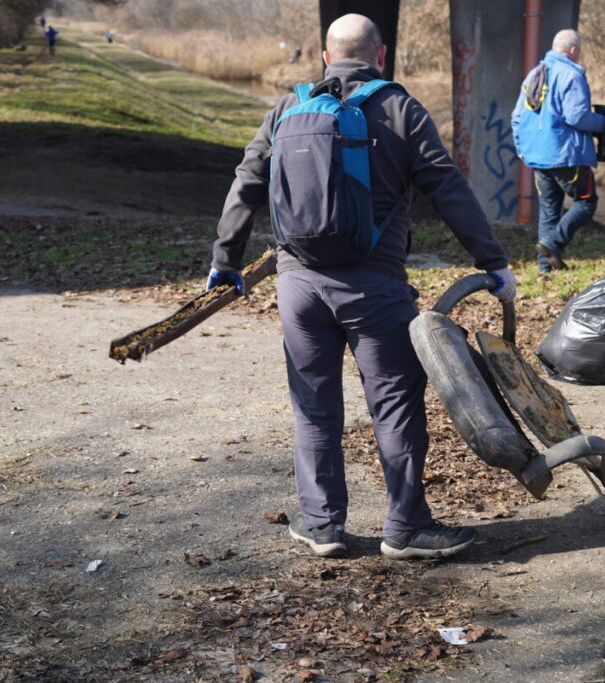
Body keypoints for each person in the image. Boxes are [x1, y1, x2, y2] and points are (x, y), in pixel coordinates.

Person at [206, 13, 515, 560]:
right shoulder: (399, 108)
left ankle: (322, 524)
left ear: (326, 56)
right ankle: (406, 527)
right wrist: (492, 261)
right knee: (394, 405)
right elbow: (447, 186)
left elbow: (247, 180)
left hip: (298, 285)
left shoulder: (287, 108)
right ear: (381, 54)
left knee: (315, 407)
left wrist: (225, 259)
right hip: (374, 288)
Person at [511, 29, 605, 272]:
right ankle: (553, 243)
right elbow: (576, 116)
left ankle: (545, 268)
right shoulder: (571, 75)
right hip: (566, 155)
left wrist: (522, 149)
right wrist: (604, 123)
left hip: (537, 156)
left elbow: (517, 116)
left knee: (549, 211)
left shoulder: (534, 74)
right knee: (586, 203)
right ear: (573, 50)